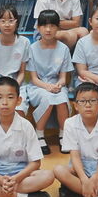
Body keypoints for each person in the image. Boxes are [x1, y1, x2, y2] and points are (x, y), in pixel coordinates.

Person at [26, 10, 74, 155]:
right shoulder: (32, 48)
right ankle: (39, 134)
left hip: (57, 85)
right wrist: (47, 87)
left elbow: (63, 77)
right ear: (38, 28)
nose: (48, 29)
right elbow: (34, 79)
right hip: (38, 86)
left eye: (52, 26)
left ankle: (63, 134)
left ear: (58, 27)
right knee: (48, 98)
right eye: (44, 26)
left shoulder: (63, 49)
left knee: (62, 99)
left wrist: (59, 85)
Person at [0, 4, 30, 116]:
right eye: (3, 21)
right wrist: (3, 87)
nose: (7, 25)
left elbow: (22, 72)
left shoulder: (24, 42)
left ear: (17, 22)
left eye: (11, 21)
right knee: (3, 109)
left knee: (19, 110)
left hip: (17, 82)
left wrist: (13, 86)